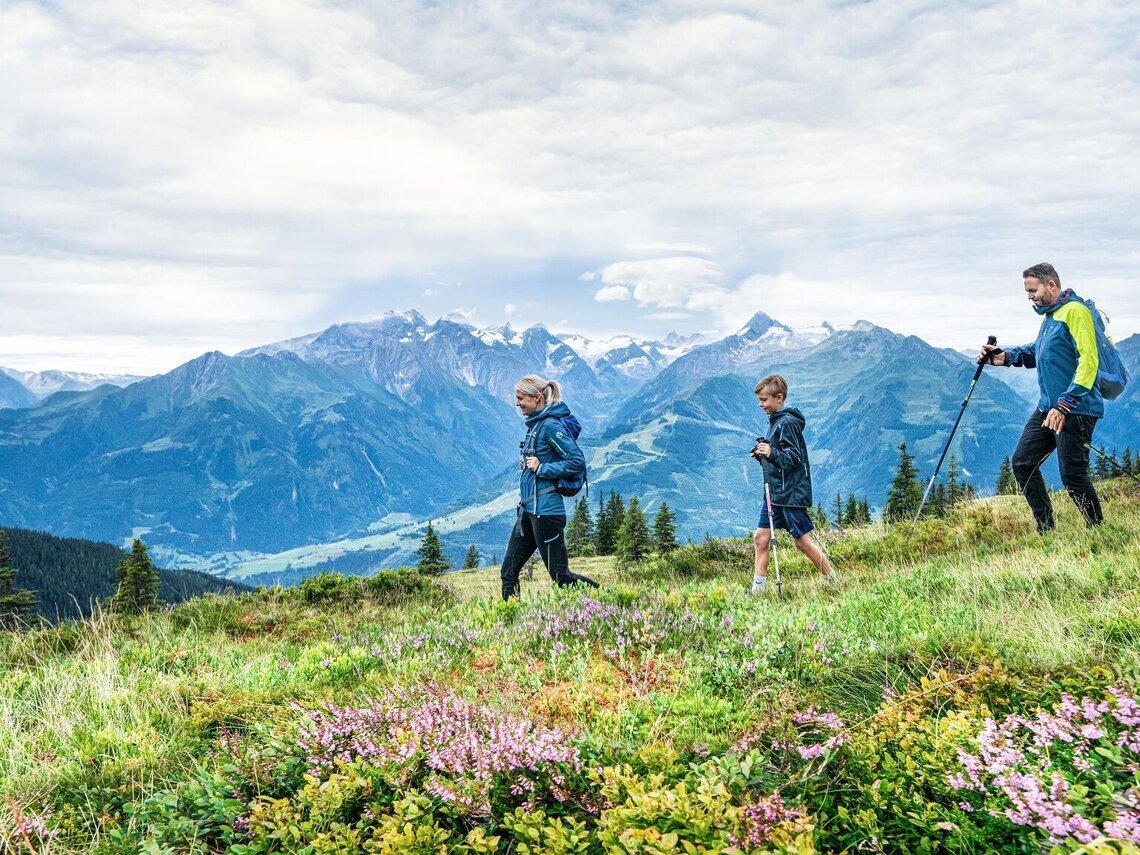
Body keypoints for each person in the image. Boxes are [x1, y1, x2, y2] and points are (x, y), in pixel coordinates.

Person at [978, 262, 1104, 532]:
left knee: (1073, 476)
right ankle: (1046, 528)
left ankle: (1098, 530)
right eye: (1027, 291)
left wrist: (1065, 404)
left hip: (1076, 408)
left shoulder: (1075, 312)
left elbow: (1089, 361)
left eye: (1032, 290)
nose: (1029, 296)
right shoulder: (1050, 317)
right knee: (1023, 462)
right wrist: (1003, 357)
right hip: (1048, 408)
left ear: (1051, 285)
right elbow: (1040, 352)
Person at [500, 375, 599, 600]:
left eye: (520, 398)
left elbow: (576, 461)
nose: (517, 403)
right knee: (508, 572)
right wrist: (528, 465)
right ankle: (509, 622)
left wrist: (542, 468)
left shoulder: (550, 427)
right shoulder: (536, 425)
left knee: (560, 576)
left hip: (546, 513)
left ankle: (606, 600)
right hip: (528, 511)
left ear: (536, 398)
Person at [749, 374, 836, 593]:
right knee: (760, 538)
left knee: (801, 541)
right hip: (775, 491)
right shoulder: (776, 421)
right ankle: (757, 592)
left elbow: (794, 458)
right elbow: (778, 454)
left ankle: (832, 578)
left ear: (779, 398)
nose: (761, 404)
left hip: (790, 493)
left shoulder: (787, 423)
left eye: (764, 400)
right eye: (759, 400)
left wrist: (772, 452)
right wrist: (763, 454)